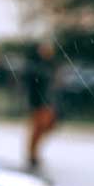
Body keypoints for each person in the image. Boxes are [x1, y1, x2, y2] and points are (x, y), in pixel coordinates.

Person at [24, 38, 60, 169]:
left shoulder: (51, 65)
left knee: (46, 127)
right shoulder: (36, 66)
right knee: (38, 128)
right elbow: (33, 85)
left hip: (48, 102)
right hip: (39, 102)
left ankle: (33, 153)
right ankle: (32, 154)